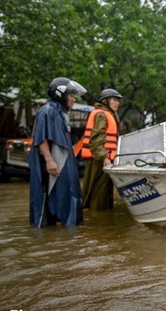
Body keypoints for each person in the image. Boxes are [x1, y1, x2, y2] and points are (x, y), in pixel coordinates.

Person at [29, 77, 87, 227]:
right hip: (54, 163)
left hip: (65, 162)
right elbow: (41, 138)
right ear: (61, 94)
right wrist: (49, 160)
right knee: (54, 195)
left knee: (69, 193)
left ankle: (67, 226)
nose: (74, 99)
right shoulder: (47, 111)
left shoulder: (60, 112)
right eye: (72, 95)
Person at [81, 88, 122, 210]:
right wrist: (104, 158)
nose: (117, 103)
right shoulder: (101, 114)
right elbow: (97, 139)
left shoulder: (108, 114)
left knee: (104, 192)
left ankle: (99, 218)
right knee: (99, 193)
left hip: (103, 158)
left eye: (118, 100)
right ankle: (98, 221)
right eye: (114, 100)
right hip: (100, 160)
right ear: (105, 101)